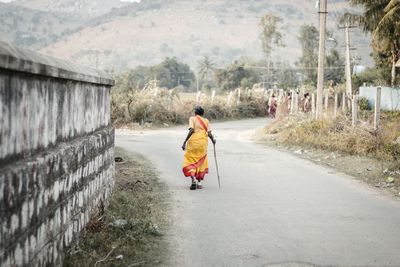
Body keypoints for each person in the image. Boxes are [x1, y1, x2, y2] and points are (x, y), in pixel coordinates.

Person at [182, 106, 216, 190]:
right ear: (203, 113)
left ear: (195, 113)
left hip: (193, 142)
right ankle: (199, 183)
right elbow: (209, 133)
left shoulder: (192, 119)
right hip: (202, 143)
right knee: (201, 161)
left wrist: (185, 141)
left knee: (190, 161)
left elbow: (191, 130)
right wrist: (213, 140)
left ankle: (193, 179)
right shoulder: (206, 121)